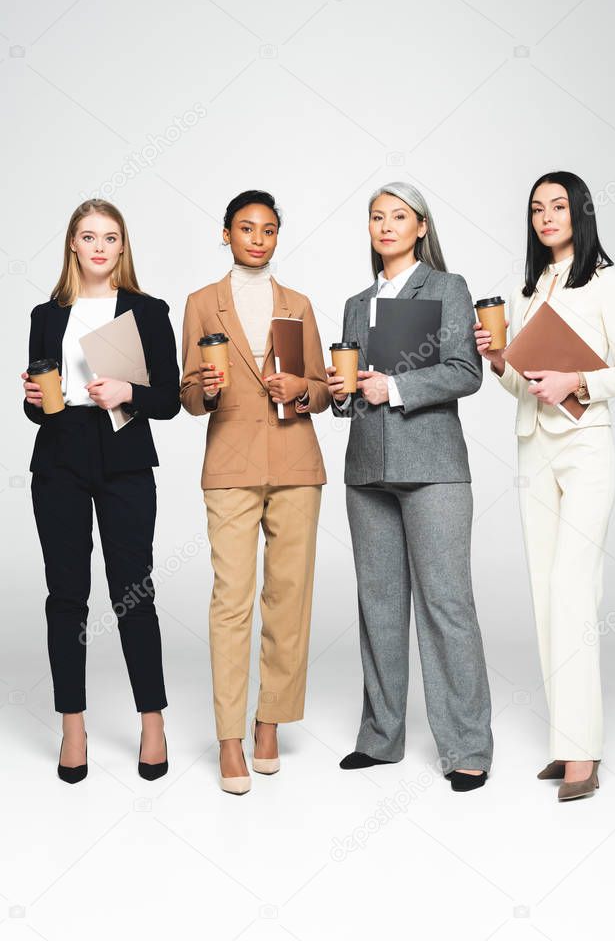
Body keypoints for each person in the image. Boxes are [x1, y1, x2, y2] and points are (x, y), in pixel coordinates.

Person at [475, 171, 615, 801]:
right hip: (535, 448)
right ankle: (567, 742)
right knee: (547, 594)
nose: (546, 217)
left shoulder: (604, 280)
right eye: (536, 209)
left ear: (580, 212)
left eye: (558, 206)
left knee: (575, 590)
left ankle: (584, 755)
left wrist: (578, 381)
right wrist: (500, 362)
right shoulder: (532, 287)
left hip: (585, 447)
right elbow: (525, 383)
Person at [327, 182, 493, 793]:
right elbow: (348, 399)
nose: (387, 225)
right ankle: (381, 737)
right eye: (377, 216)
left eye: (399, 216)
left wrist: (391, 388)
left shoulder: (448, 289)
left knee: (447, 605)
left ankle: (468, 746)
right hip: (367, 469)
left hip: (434, 467)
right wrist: (342, 393)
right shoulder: (354, 303)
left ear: (421, 226)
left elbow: (465, 371)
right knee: (378, 607)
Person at [22, 199, 180, 783]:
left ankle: (153, 721)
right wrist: (33, 401)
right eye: (88, 236)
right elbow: (37, 402)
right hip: (60, 459)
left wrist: (129, 393)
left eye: (109, 237)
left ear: (122, 247)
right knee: (66, 597)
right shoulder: (47, 312)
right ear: (72, 245)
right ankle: (72, 725)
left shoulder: (146, 310)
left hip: (125, 462)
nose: (98, 246)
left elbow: (169, 399)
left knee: (133, 593)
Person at [180, 189, 330, 795]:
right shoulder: (200, 304)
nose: (259, 238)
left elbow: (323, 389)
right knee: (232, 600)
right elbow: (187, 397)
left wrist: (298, 386)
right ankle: (229, 738)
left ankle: (270, 721)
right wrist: (208, 389)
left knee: (289, 598)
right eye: (247, 228)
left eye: (269, 229)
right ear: (226, 233)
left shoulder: (298, 304)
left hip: (296, 462)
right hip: (231, 465)